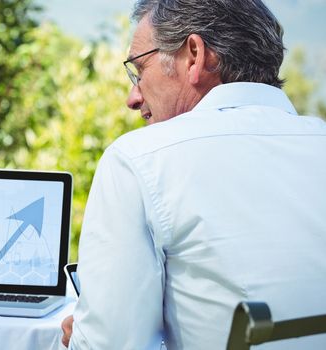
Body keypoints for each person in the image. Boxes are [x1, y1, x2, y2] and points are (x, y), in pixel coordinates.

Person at [61, 0, 326, 348]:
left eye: (138, 71)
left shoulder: (138, 160)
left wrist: (81, 336)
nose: (133, 97)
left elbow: (110, 344)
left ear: (194, 55)